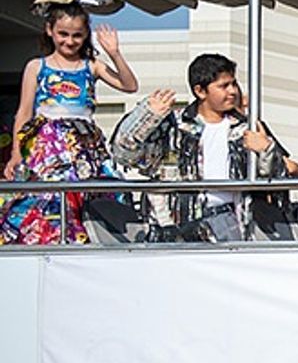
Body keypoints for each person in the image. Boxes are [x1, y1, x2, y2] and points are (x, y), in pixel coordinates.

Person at [1, 0, 139, 244]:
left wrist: (114, 54)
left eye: (77, 35)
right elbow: (24, 112)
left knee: (90, 194)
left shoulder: (91, 65)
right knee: (46, 197)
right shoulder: (37, 66)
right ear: (49, 31)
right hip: (47, 143)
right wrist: (16, 152)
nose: (70, 41)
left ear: (85, 34)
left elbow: (129, 85)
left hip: (85, 144)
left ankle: (86, 239)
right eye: (63, 34)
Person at [111, 53, 284, 242]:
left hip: (233, 226)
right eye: (223, 86)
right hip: (175, 229)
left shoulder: (247, 128)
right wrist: (146, 116)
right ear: (200, 91)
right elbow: (123, 154)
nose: (232, 91)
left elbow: (277, 178)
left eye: (233, 84)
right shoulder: (173, 126)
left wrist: (267, 150)